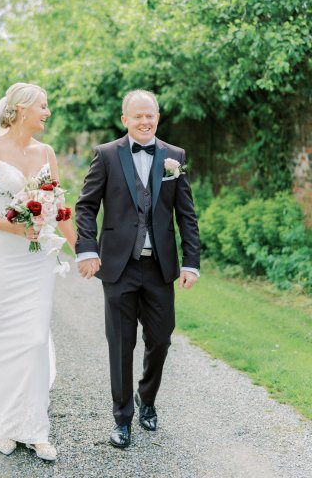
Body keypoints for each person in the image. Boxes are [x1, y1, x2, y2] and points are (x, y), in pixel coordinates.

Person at [75, 89, 200, 448]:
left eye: (151, 115)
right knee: (120, 343)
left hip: (161, 267)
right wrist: (86, 249)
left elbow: (186, 215)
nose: (145, 121)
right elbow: (86, 206)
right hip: (118, 265)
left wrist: (191, 261)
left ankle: (148, 399)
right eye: (138, 116)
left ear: (157, 118)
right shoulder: (106, 155)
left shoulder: (174, 157)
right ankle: (122, 419)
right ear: (124, 119)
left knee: (160, 339)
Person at [0, 82, 76, 461]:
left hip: (37, 259)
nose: (48, 112)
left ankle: (36, 429)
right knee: (7, 339)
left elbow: (59, 205)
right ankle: (4, 426)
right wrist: (15, 226)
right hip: (0, 257)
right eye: (43, 106)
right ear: (22, 110)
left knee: (33, 338)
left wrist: (83, 249)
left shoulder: (46, 152)